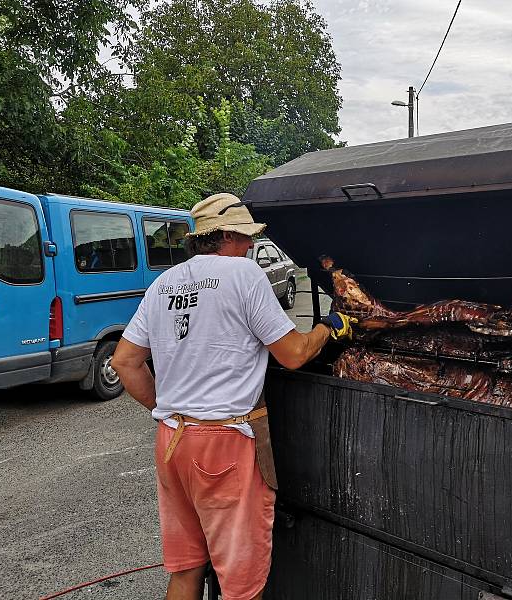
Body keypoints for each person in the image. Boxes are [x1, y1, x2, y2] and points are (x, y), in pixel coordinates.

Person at [111, 192, 354, 600]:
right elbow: (293, 354)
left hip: (172, 442)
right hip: (224, 447)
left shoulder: (164, 284)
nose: (249, 247)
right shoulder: (243, 276)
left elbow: (125, 362)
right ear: (225, 236)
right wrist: (329, 327)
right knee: (243, 586)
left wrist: (167, 410)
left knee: (187, 569)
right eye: (245, 239)